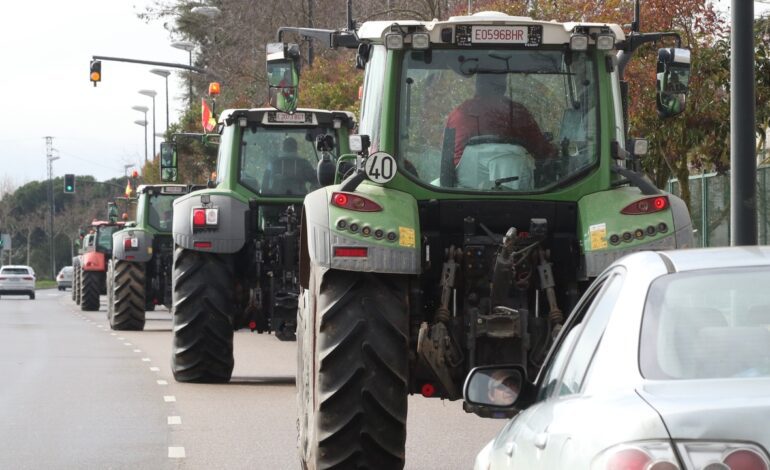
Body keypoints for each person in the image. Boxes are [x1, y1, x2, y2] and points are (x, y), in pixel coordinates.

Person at [445, 73, 557, 166]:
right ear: (503, 85)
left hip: (463, 189)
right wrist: (554, 151)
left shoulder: (459, 115)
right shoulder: (517, 113)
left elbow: (448, 159)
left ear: (478, 85)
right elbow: (542, 151)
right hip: (517, 189)